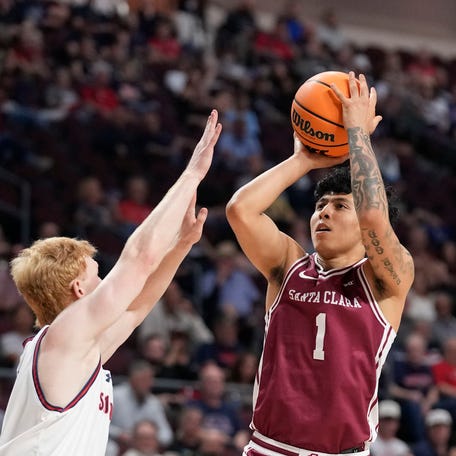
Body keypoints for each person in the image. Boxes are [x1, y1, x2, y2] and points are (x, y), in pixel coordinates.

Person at [0, 110, 222, 455]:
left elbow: (137, 307)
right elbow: (138, 258)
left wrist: (180, 247)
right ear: (77, 288)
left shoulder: (77, 348)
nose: (106, 281)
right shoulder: (64, 334)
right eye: (97, 275)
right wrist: (193, 173)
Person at [225, 72, 414, 455]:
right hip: (269, 448)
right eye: (319, 206)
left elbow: (375, 217)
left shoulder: (386, 280)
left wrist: (358, 134)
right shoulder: (288, 266)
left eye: (339, 206)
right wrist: (302, 159)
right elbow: (240, 210)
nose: (323, 214)